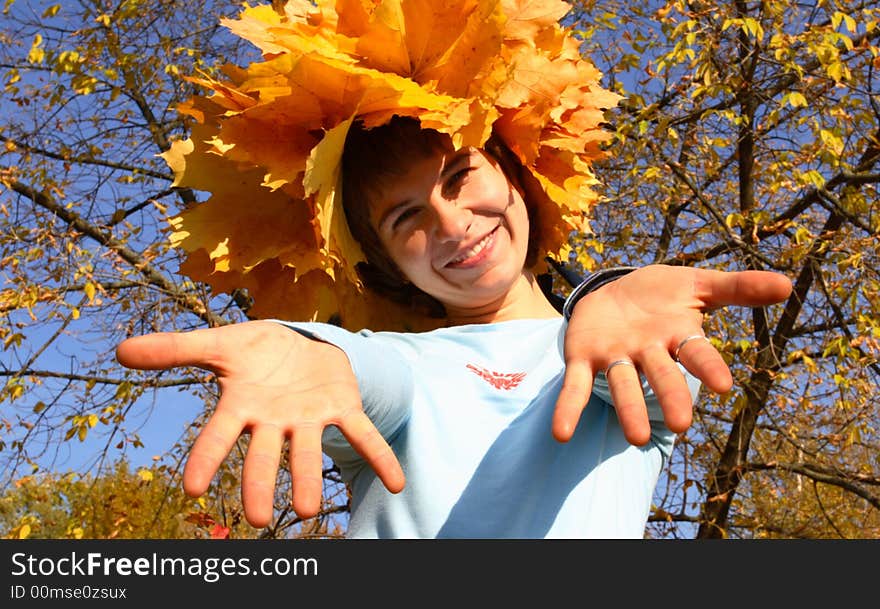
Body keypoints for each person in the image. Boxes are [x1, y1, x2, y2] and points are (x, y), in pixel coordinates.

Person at [115, 1, 793, 537]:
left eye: (461, 175)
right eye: (404, 219)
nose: (449, 222)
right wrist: (308, 350)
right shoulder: (403, 367)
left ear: (521, 176)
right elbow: (361, 374)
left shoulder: (618, 348)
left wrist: (604, 290)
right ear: (379, 264)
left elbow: (644, 382)